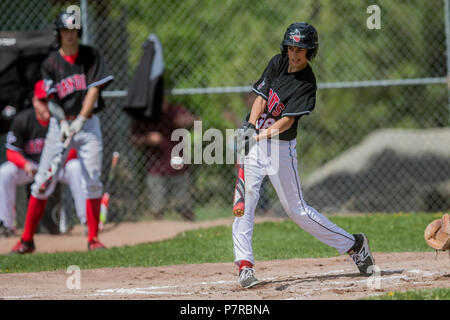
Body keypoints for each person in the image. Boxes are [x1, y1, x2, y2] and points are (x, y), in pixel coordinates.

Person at [232, 22, 375, 288]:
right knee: (245, 204)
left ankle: (354, 245)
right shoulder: (277, 62)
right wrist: (251, 127)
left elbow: (285, 122)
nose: (295, 53)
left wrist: (259, 135)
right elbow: (260, 97)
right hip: (256, 143)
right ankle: (245, 266)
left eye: (301, 49)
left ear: (311, 52)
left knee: (297, 212)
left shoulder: (307, 83)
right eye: (291, 46)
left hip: (280, 149)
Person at [10, 11, 113, 254]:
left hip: (87, 125)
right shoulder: (50, 63)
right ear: (59, 33)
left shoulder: (90, 56)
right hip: (60, 126)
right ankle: (26, 240)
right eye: (65, 30)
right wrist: (64, 123)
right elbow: (52, 98)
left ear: (79, 32)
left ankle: (93, 239)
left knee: (93, 179)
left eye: (74, 30)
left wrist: (80, 120)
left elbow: (93, 90)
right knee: (43, 181)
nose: (70, 34)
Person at [0, 80, 85, 237]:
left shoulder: (63, 120)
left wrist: (56, 166)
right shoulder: (23, 120)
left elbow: (72, 152)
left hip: (57, 167)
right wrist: (24, 163)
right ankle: (6, 225)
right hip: (32, 167)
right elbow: (11, 152)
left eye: (49, 100)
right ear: (34, 101)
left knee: (76, 167)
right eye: (42, 100)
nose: (46, 105)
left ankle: (87, 221)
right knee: (5, 172)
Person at [131, 97, 196, 221]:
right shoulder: (145, 115)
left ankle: (191, 226)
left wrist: (183, 121)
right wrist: (147, 138)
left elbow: (195, 120)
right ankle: (159, 232)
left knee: (186, 208)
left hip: (179, 167)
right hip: (155, 168)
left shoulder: (175, 110)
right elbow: (133, 139)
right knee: (156, 209)